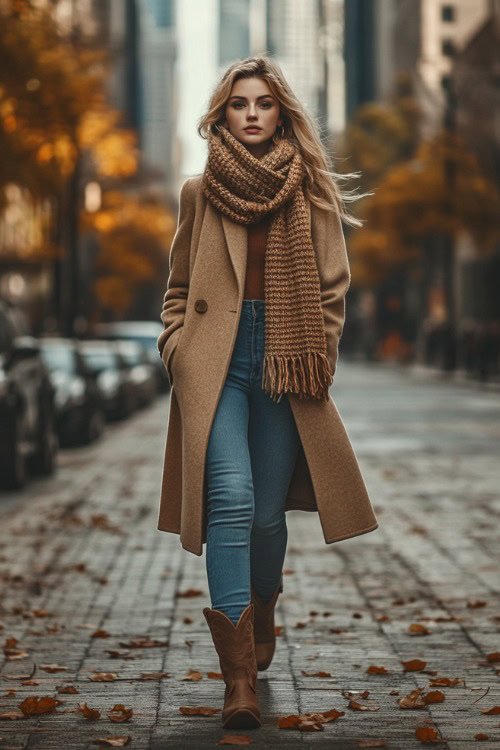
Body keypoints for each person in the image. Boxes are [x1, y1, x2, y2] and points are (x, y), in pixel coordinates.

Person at [157, 56, 378, 730]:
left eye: (262, 103)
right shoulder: (200, 192)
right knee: (231, 499)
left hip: (286, 365)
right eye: (237, 104)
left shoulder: (309, 192)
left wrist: (319, 356)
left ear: (281, 112)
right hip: (216, 367)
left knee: (265, 518)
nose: (250, 114)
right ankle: (239, 680)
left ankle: (262, 601)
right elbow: (175, 291)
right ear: (222, 114)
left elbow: (334, 291)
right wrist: (179, 352)